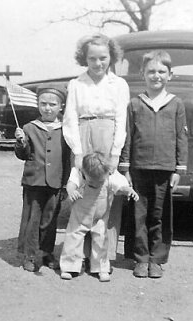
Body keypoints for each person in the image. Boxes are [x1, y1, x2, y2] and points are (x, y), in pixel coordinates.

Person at [119, 50, 188, 279]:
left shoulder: (176, 104)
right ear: (143, 74)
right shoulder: (134, 104)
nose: (156, 76)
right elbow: (128, 136)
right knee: (138, 216)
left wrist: (180, 168)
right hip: (139, 169)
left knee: (159, 216)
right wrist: (126, 168)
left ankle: (156, 260)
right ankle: (140, 258)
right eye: (151, 71)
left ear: (170, 75)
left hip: (165, 170)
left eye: (161, 71)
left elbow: (181, 137)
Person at [62, 33, 130, 262]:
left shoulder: (119, 84)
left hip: (108, 135)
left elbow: (121, 119)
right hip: (83, 134)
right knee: (84, 189)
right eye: (92, 58)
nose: (98, 63)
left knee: (108, 191)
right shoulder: (77, 84)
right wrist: (78, 152)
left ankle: (103, 257)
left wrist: (115, 153)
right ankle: (78, 253)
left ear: (111, 57)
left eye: (103, 58)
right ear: (85, 58)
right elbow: (70, 117)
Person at [14, 83, 70, 273]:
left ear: (61, 106)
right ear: (37, 104)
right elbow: (23, 154)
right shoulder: (29, 128)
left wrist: (66, 183)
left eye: (52, 104)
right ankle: (30, 255)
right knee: (32, 220)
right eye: (43, 103)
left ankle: (46, 252)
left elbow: (68, 157)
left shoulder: (66, 128)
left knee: (50, 219)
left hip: (56, 182)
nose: (47, 108)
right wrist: (21, 142)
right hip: (34, 181)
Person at [59, 152, 139, 282]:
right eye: (92, 183)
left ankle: (101, 267)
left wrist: (128, 190)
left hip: (100, 217)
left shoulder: (110, 174)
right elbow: (71, 183)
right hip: (80, 216)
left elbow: (119, 186)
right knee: (73, 237)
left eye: (100, 182)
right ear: (85, 172)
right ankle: (69, 266)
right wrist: (71, 191)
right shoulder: (78, 173)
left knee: (101, 240)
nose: (96, 185)